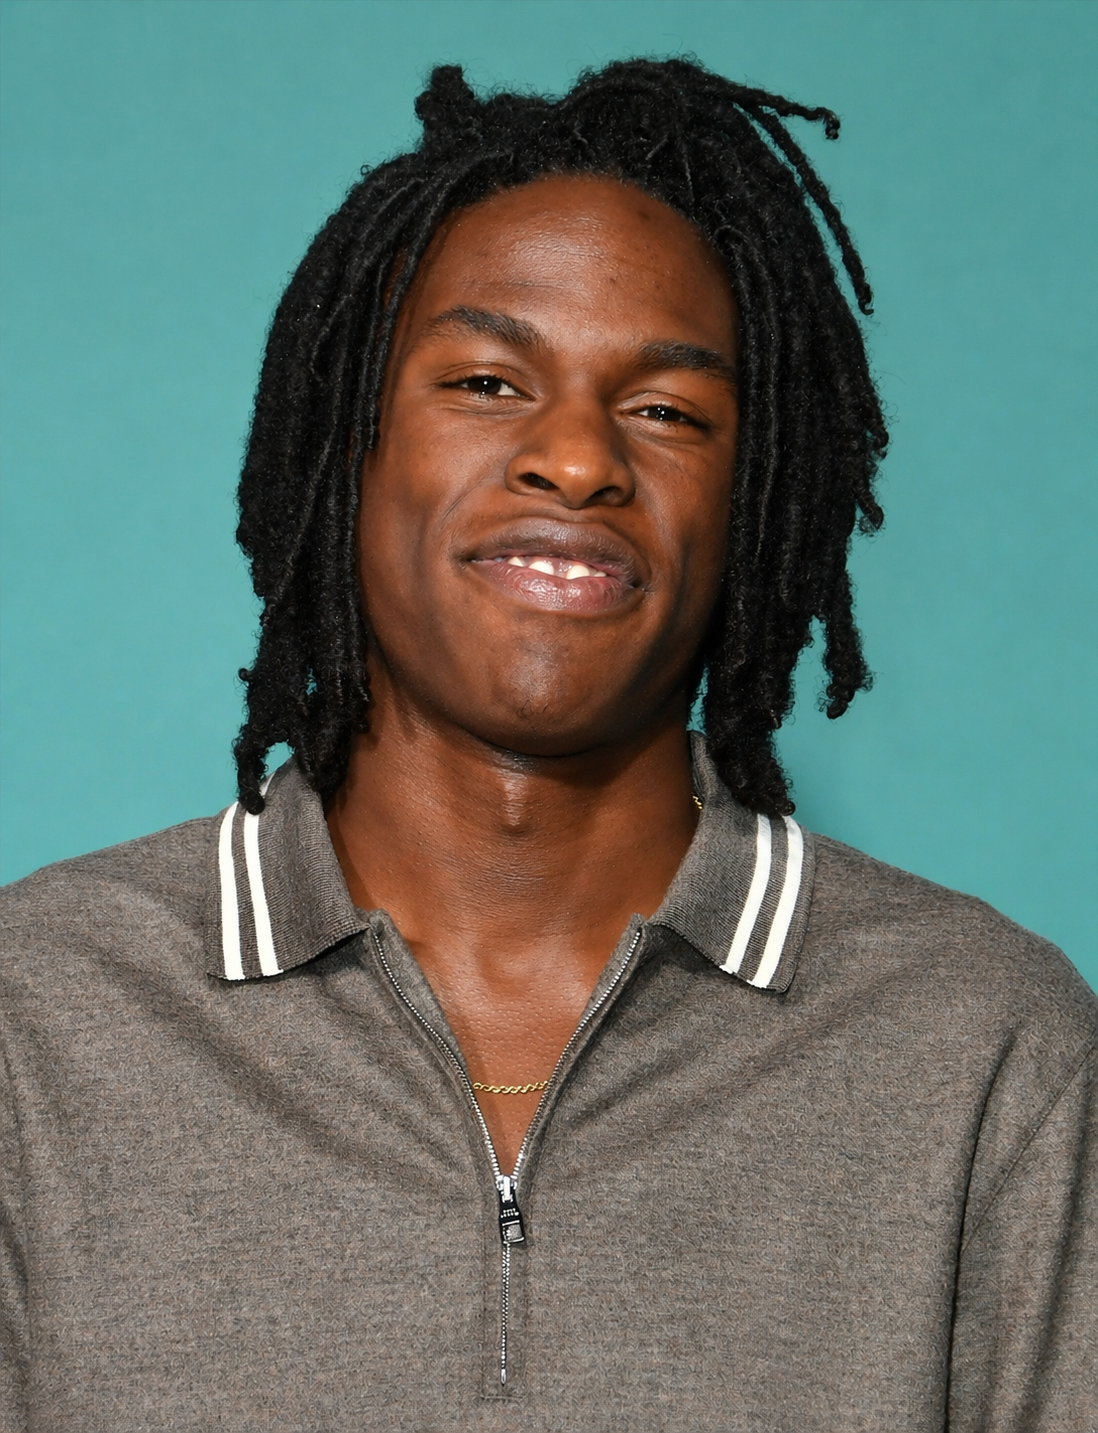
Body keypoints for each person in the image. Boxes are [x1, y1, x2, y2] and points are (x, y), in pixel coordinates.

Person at [1, 58, 1094, 1432]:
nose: (577, 460)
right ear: (343, 443)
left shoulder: (983, 1048)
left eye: (667, 410)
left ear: (757, 499)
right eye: (485, 380)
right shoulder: (36, 1021)